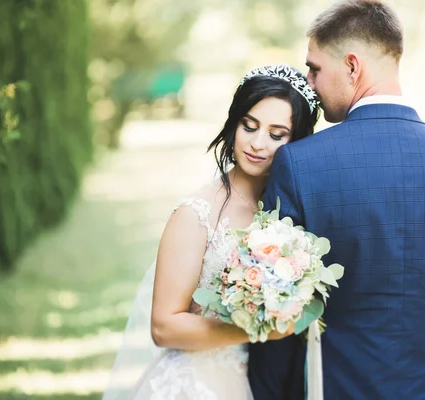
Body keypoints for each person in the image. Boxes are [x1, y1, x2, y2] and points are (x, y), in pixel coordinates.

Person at [248, 1, 425, 399]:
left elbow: (278, 306)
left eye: (314, 69)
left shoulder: (299, 164)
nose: (308, 83)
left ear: (352, 66)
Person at [102, 64, 319, 400]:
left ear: (297, 140)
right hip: (197, 384)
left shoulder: (288, 215)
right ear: (234, 125)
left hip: (260, 383)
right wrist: (258, 327)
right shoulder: (195, 214)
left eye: (276, 134)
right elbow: (163, 326)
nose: (258, 143)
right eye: (249, 126)